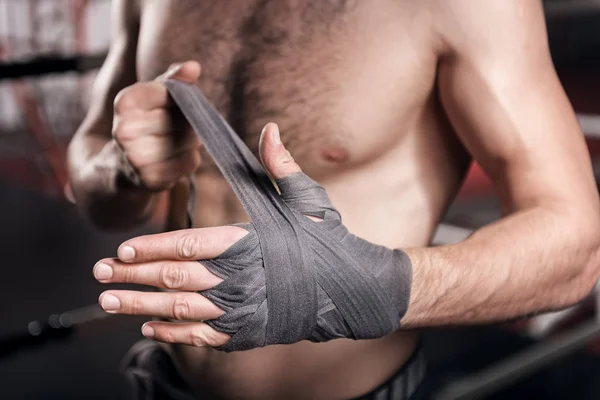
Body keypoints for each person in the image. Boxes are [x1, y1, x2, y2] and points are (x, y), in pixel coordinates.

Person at [67, 1, 600, 399]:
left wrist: (375, 288)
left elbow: (576, 246)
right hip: (167, 382)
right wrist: (121, 167)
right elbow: (93, 181)